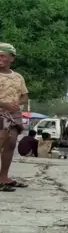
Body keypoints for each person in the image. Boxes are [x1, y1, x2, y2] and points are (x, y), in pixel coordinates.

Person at [0, 43, 29, 192]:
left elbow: (25, 96)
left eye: (3, 55)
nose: (0, 59)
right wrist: (4, 104)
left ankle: (3, 177)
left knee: (11, 144)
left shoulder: (18, 77)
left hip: (13, 115)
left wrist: (17, 103)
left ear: (12, 58)